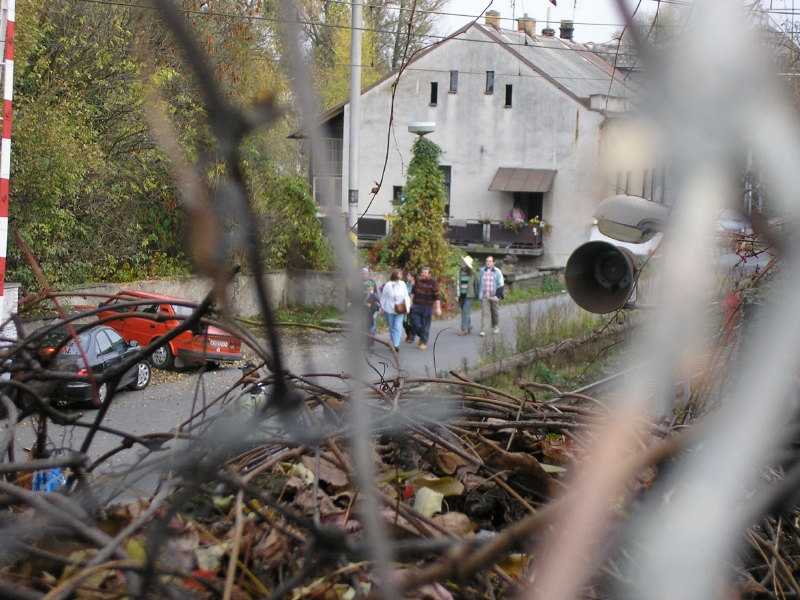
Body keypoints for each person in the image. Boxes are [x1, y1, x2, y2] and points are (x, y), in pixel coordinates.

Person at [409, 266, 441, 350]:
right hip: (416, 306)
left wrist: (438, 308)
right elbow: (413, 292)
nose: (423, 274)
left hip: (427, 308)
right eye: (422, 273)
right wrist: (410, 301)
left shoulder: (433, 283)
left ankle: (423, 342)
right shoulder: (417, 281)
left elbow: (437, 297)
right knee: (415, 324)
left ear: (429, 274)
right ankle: (422, 335)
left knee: (425, 325)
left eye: (425, 273)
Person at [380, 268, 411, 352]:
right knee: (392, 327)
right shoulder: (388, 285)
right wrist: (382, 307)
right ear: (396, 275)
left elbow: (406, 296)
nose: (402, 275)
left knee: (398, 326)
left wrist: (407, 307)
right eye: (400, 274)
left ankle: (395, 345)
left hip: (400, 309)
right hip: (389, 309)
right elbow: (384, 297)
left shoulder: (402, 284)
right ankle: (393, 342)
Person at [478, 256, 504, 336]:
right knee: (485, 312)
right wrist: (479, 294)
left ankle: (495, 326)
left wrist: (497, 295)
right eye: (487, 261)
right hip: (485, 295)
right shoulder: (482, 271)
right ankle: (483, 330)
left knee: (494, 312)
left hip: (494, 295)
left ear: (493, 263)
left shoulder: (497, 272)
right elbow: (480, 283)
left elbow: (501, 284)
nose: (488, 263)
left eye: (490, 261)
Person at [457, 256, 478, 336]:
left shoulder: (473, 273)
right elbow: (457, 284)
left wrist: (476, 295)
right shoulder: (460, 272)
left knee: (465, 311)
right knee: (464, 311)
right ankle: (469, 326)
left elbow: (476, 284)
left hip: (469, 295)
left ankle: (463, 329)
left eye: (464, 262)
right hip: (461, 294)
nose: (462, 263)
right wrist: (457, 294)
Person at [364, 280, 380, 348]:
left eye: (368, 286)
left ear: (372, 287)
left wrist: (371, 305)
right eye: (366, 286)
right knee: (366, 328)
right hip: (365, 313)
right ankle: (367, 343)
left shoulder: (375, 295)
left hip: (373, 314)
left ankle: (371, 344)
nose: (367, 288)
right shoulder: (363, 294)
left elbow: (378, 304)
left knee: (372, 329)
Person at [404, 270, 417, 343]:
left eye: (408, 275)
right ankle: (408, 333)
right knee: (404, 321)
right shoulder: (406, 284)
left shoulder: (416, 285)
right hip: (406, 304)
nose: (407, 276)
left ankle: (412, 337)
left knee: (412, 321)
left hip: (414, 305)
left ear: (413, 277)